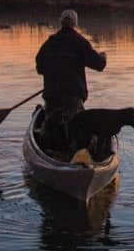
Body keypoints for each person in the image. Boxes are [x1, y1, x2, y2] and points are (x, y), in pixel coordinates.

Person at [35, 9, 107, 153]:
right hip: (73, 96)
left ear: (61, 22)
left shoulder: (49, 43)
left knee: (51, 128)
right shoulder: (80, 42)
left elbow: (40, 68)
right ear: (75, 23)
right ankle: (77, 154)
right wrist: (103, 57)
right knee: (76, 127)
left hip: (52, 95)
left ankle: (49, 150)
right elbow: (99, 65)